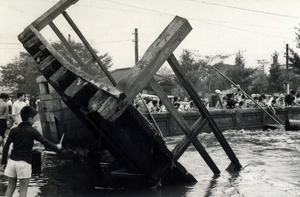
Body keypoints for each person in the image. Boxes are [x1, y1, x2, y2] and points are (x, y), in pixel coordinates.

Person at [1, 106, 62, 197]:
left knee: (10, 187)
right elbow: (45, 142)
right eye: (35, 118)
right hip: (24, 163)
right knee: (23, 190)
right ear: (30, 119)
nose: (35, 119)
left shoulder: (14, 130)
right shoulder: (33, 131)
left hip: (12, 162)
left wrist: (3, 162)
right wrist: (57, 147)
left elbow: (6, 147)